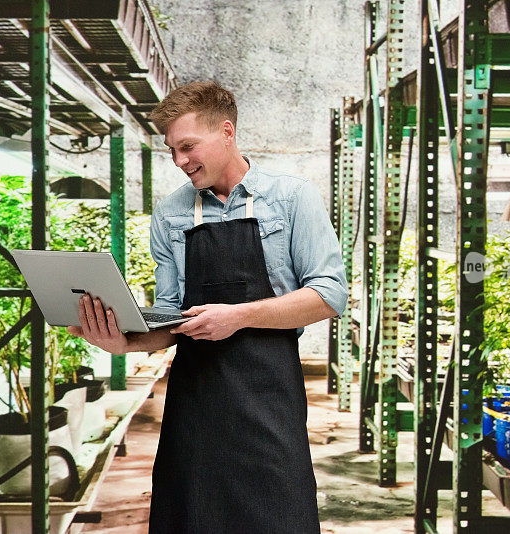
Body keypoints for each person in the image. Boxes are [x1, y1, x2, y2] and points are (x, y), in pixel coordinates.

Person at [67, 80, 348, 533]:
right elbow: (170, 316)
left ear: (227, 132)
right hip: (196, 402)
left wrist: (236, 317)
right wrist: (125, 342)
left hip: (269, 398)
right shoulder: (172, 213)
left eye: (188, 146)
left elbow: (329, 294)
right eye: (172, 150)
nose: (179, 161)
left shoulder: (291, 198)